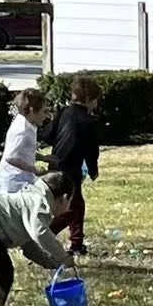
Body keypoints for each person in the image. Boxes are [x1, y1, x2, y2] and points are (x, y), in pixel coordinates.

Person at [44, 78, 102, 257]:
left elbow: (48, 136)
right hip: (71, 169)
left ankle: (76, 242)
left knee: (65, 204)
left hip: (54, 165)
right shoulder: (90, 122)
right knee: (73, 208)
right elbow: (92, 150)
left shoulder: (63, 112)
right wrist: (93, 170)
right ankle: (44, 236)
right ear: (91, 100)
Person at [0, 88, 49, 196]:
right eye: (43, 111)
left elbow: (23, 152)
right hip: (12, 183)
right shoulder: (22, 129)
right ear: (31, 110)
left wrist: (44, 158)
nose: (46, 116)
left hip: (20, 180)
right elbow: (11, 157)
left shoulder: (29, 125)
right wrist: (34, 169)